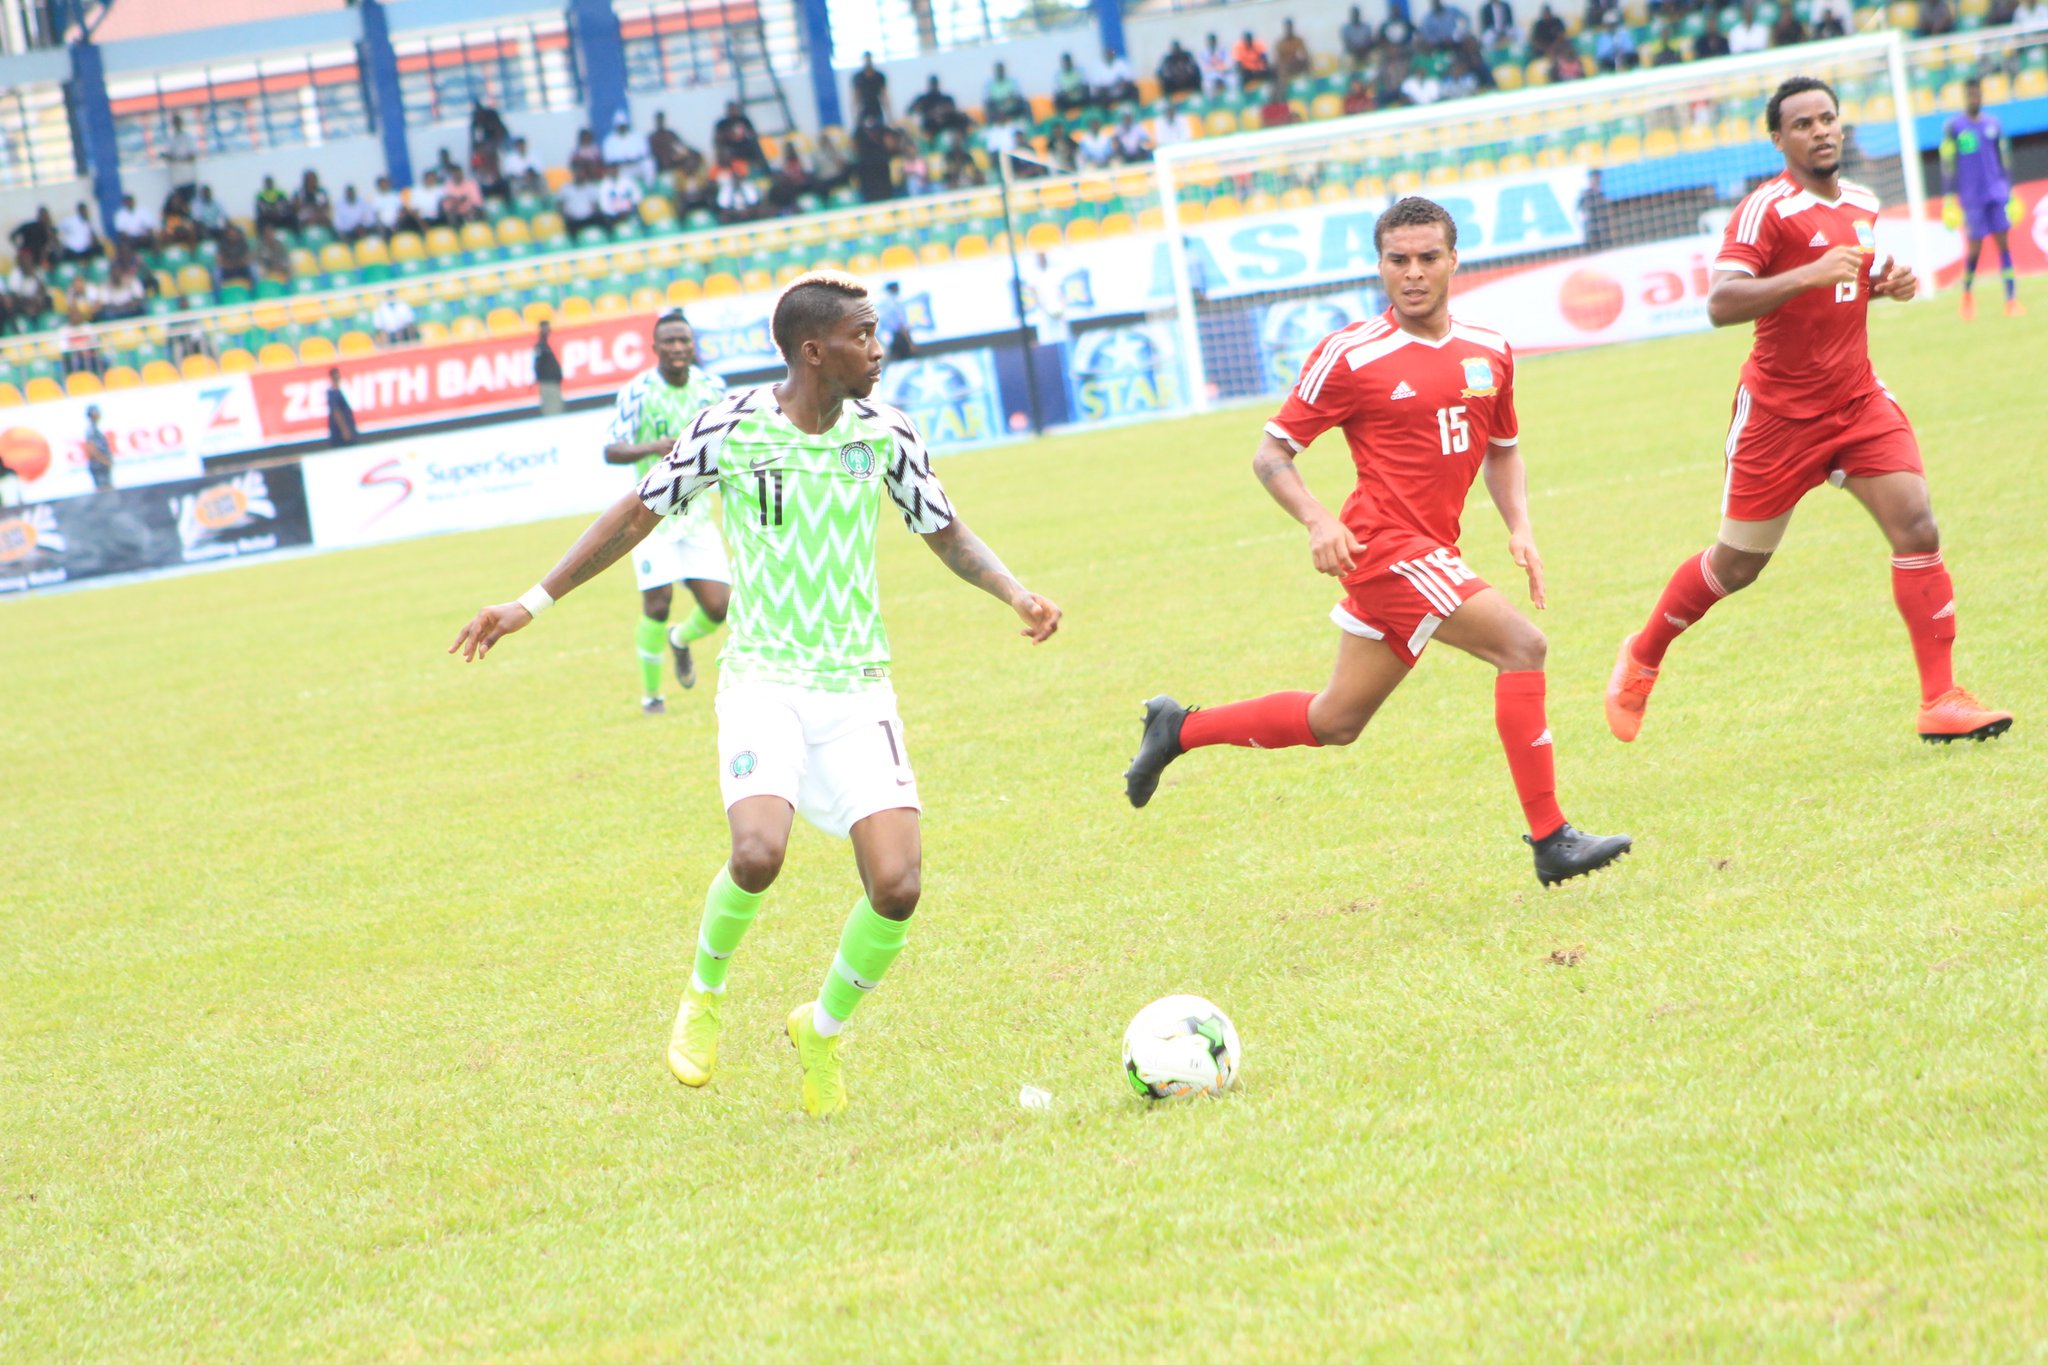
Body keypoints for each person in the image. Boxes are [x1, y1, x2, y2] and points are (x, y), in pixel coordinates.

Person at [448, 272, 1061, 1116]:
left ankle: (822, 1029)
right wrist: (530, 603)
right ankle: (704, 994)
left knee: (898, 886)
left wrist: (1016, 592)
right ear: (815, 351)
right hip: (764, 680)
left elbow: (944, 530)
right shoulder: (729, 427)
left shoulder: (887, 431)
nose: (878, 349)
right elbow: (635, 514)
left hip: (858, 686)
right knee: (758, 853)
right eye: (862, 335)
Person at [1121, 196, 1631, 887]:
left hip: (1433, 551)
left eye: (1428, 257)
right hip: (1384, 548)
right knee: (1523, 646)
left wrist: (1520, 526)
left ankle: (1177, 729)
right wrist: (1318, 520)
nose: (1413, 272)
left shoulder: (1490, 349)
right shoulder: (1352, 354)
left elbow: (1503, 448)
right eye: (1398, 260)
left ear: (1454, 260)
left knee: (1337, 718)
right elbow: (1272, 455)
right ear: (1380, 266)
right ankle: (1551, 838)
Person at [1605, 77, 2011, 749]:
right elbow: (1721, 303)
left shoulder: (1861, 202)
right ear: (1778, 139)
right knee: (1737, 565)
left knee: (1917, 526)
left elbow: (1839, 289)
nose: (1821, 131)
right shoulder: (1765, 209)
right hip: (1778, 416)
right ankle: (1643, 654)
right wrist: (1810, 273)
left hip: (1856, 401)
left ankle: (1940, 699)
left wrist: (1882, 286)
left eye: (1828, 118)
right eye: (1803, 124)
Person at [588, 310, 735, 712]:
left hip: (697, 516)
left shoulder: (712, 388)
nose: (677, 347)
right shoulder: (637, 392)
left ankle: (679, 640)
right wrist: (653, 447)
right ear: (655, 347)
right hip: (651, 516)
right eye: (669, 341)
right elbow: (612, 450)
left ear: (692, 345)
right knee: (658, 604)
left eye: (683, 340)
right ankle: (652, 697)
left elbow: (734, 440)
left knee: (719, 608)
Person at [1942, 77, 2023, 320]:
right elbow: (1948, 164)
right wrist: (1949, 198)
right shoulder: (1955, 128)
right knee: (1975, 249)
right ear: (1965, 97)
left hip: (1996, 193)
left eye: (1978, 94)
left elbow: (2004, 159)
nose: (1975, 98)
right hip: (1972, 197)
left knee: (2004, 244)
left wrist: (2010, 191)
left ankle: (2011, 300)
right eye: (1971, 95)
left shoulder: (1993, 124)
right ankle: (1967, 294)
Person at [162, 114, 198, 199]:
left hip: (189, 179)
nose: (176, 124)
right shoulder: (171, 139)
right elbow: (168, 157)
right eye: (175, 123)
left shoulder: (188, 138)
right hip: (176, 181)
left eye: (178, 122)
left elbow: (192, 158)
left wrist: (176, 159)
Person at [875, 280, 913, 360]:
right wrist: (910, 343)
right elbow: (901, 325)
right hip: (900, 339)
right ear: (895, 289)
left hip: (888, 339)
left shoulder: (883, 304)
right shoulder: (896, 304)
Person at [534, 318, 564, 415]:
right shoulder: (540, 345)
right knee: (551, 409)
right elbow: (537, 364)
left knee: (556, 408)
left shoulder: (549, 343)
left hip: (553, 381)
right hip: (547, 382)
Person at [851, 52, 889, 124]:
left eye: (869, 59)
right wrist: (855, 114)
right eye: (866, 59)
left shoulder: (879, 76)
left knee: (879, 126)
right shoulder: (858, 77)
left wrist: (889, 115)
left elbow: (884, 95)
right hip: (864, 108)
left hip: (876, 108)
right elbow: (856, 96)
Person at [83, 405, 114, 491]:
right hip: (98, 465)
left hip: (101, 465)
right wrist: (104, 460)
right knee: (103, 489)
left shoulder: (95, 429)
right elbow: (91, 449)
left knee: (107, 488)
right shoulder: (91, 430)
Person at [325, 368, 358, 447]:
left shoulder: (341, 390)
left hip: (347, 426)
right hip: (340, 432)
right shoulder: (332, 393)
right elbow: (336, 413)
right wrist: (344, 430)